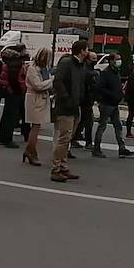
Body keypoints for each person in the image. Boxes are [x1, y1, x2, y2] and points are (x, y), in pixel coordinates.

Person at [50, 40, 89, 182]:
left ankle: (63, 167)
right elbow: (58, 82)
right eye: (86, 49)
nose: (88, 52)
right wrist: (67, 98)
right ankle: (56, 169)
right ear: (81, 50)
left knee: (68, 139)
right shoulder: (67, 63)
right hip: (66, 107)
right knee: (64, 138)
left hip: (75, 106)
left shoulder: (80, 65)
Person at [92, 54, 133, 158]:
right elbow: (100, 88)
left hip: (114, 104)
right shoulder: (106, 73)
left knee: (118, 126)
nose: (119, 61)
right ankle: (96, 148)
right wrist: (113, 94)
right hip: (106, 103)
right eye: (117, 59)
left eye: (119, 59)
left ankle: (122, 148)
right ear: (111, 61)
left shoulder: (115, 72)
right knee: (102, 125)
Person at [23, 48, 53, 166]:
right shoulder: (32, 68)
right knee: (35, 127)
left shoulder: (45, 69)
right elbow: (38, 85)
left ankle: (29, 150)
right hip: (34, 99)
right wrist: (51, 81)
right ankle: (31, 151)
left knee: (37, 126)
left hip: (42, 98)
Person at [0, 47, 28, 147]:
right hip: (15, 91)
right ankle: (7, 139)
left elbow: (5, 78)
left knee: (7, 115)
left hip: (9, 90)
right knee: (11, 116)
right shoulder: (16, 64)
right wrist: (19, 90)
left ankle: (2, 137)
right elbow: (15, 79)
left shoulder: (7, 64)